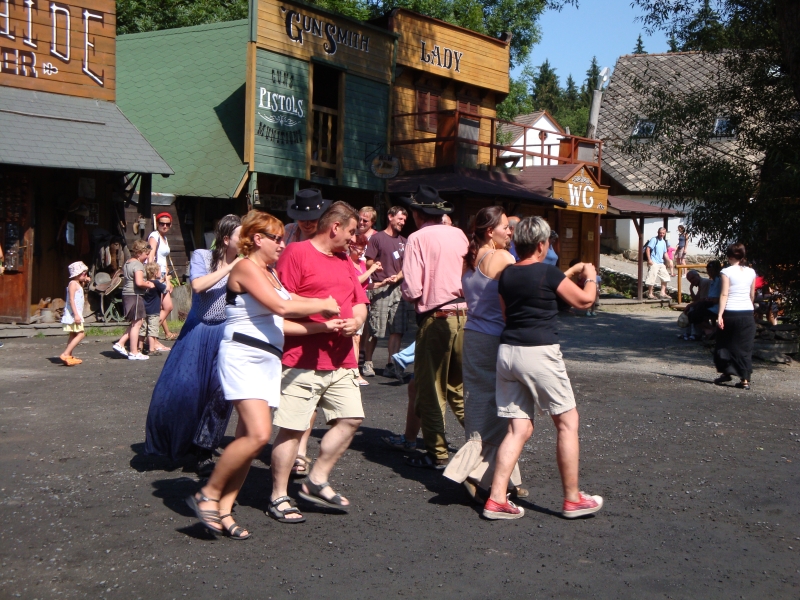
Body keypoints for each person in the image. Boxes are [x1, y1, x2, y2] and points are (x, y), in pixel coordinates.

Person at [186, 210, 340, 538]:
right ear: (258, 239)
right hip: (243, 356)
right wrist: (321, 303)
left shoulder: (270, 273)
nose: (283, 244)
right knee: (258, 435)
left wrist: (325, 324)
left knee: (249, 441)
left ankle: (224, 511)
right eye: (277, 239)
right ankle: (208, 494)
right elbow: (282, 307)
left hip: (267, 360)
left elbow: (286, 309)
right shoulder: (245, 267)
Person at [483, 216, 603, 520]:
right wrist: (590, 276)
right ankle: (572, 499)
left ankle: (496, 498)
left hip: (508, 352)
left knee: (518, 428)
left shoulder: (507, 275)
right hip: (539, 352)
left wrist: (569, 273)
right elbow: (585, 301)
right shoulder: (548, 272)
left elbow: (508, 313)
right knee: (567, 422)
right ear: (540, 245)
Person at [269, 200, 368, 522]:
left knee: (351, 419)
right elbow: (280, 303)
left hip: (341, 359)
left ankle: (317, 478)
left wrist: (356, 321)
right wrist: (321, 312)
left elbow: (359, 301)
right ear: (335, 227)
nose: (353, 238)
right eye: (351, 231)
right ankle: (279, 495)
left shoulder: (344, 259)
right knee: (292, 430)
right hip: (301, 359)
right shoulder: (296, 253)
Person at [145, 215, 243, 472]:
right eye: (241, 235)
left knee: (220, 393)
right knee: (184, 389)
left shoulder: (246, 264)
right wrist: (231, 267)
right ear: (226, 239)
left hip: (226, 333)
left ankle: (204, 449)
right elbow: (198, 285)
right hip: (198, 331)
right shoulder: (203, 256)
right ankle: (176, 442)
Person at [443, 207, 526, 501]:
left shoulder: (470, 260)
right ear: (490, 231)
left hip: (473, 336)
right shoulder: (502, 258)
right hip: (494, 339)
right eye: (505, 227)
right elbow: (524, 288)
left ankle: (503, 477)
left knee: (479, 405)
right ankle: (474, 472)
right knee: (504, 409)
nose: (510, 231)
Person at [400, 186, 468, 469]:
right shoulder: (459, 234)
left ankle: (437, 452)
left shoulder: (417, 238)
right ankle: (484, 438)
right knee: (457, 387)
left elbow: (413, 289)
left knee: (430, 387)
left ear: (417, 213)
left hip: (437, 316)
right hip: (465, 313)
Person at [362, 206, 408, 378]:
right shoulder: (377, 238)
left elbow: (406, 266)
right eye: (400, 219)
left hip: (398, 289)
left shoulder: (404, 241)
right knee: (375, 328)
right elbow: (368, 262)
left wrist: (398, 277)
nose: (402, 222)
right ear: (390, 217)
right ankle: (367, 362)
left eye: (404, 220)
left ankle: (391, 365)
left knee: (397, 329)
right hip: (380, 287)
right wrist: (376, 268)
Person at [713, 243, 756, 390]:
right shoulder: (751, 272)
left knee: (724, 343)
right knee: (744, 347)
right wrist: (750, 307)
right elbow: (752, 294)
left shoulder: (726, 272)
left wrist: (720, 314)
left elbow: (724, 294)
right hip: (747, 312)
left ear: (730, 256)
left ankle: (726, 371)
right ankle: (745, 380)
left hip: (731, 312)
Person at [348, 234, 386, 385]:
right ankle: (355, 372)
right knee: (355, 338)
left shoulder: (361, 264)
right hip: (351, 303)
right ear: (351, 246)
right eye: (360, 248)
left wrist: (382, 283)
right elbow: (356, 282)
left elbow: (365, 285)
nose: (362, 251)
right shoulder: (347, 262)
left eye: (364, 248)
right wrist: (372, 270)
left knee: (357, 338)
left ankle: (353, 371)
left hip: (361, 303)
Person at [115, 240, 156, 361]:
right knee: (137, 323)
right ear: (138, 253)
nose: (147, 257)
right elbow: (138, 282)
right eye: (146, 254)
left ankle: (120, 343)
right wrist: (149, 284)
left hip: (127, 294)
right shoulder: (138, 265)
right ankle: (134, 352)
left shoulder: (128, 263)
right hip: (135, 295)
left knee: (135, 323)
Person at [148, 212, 177, 344]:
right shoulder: (154, 236)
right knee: (167, 306)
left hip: (163, 276)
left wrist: (168, 279)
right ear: (157, 224)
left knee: (162, 307)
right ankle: (149, 336)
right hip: (156, 276)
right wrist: (152, 276)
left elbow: (164, 259)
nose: (164, 226)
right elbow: (151, 255)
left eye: (167, 224)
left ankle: (152, 337)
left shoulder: (164, 238)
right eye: (162, 223)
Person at [60, 261, 90, 366]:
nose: (86, 275)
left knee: (73, 334)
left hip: (75, 314)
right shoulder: (73, 284)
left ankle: (69, 356)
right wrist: (76, 315)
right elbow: (71, 300)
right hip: (73, 314)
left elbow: (81, 285)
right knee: (81, 334)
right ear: (77, 274)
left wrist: (85, 279)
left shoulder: (78, 284)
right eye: (84, 274)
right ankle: (65, 353)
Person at [143, 263, 169, 355]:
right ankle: (151, 349)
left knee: (143, 329)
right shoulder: (156, 283)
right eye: (159, 271)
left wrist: (162, 280)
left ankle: (139, 347)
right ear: (155, 273)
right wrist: (167, 280)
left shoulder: (146, 283)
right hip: (154, 311)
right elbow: (166, 289)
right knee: (152, 330)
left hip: (145, 310)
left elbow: (157, 284)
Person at [645, 227, 670, 300]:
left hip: (661, 262)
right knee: (651, 278)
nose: (661, 234)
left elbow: (665, 252)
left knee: (666, 277)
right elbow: (648, 249)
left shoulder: (664, 242)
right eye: (660, 233)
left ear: (665, 233)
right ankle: (650, 294)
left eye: (663, 233)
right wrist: (649, 259)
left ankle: (662, 293)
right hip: (654, 262)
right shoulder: (654, 239)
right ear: (658, 232)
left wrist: (668, 261)